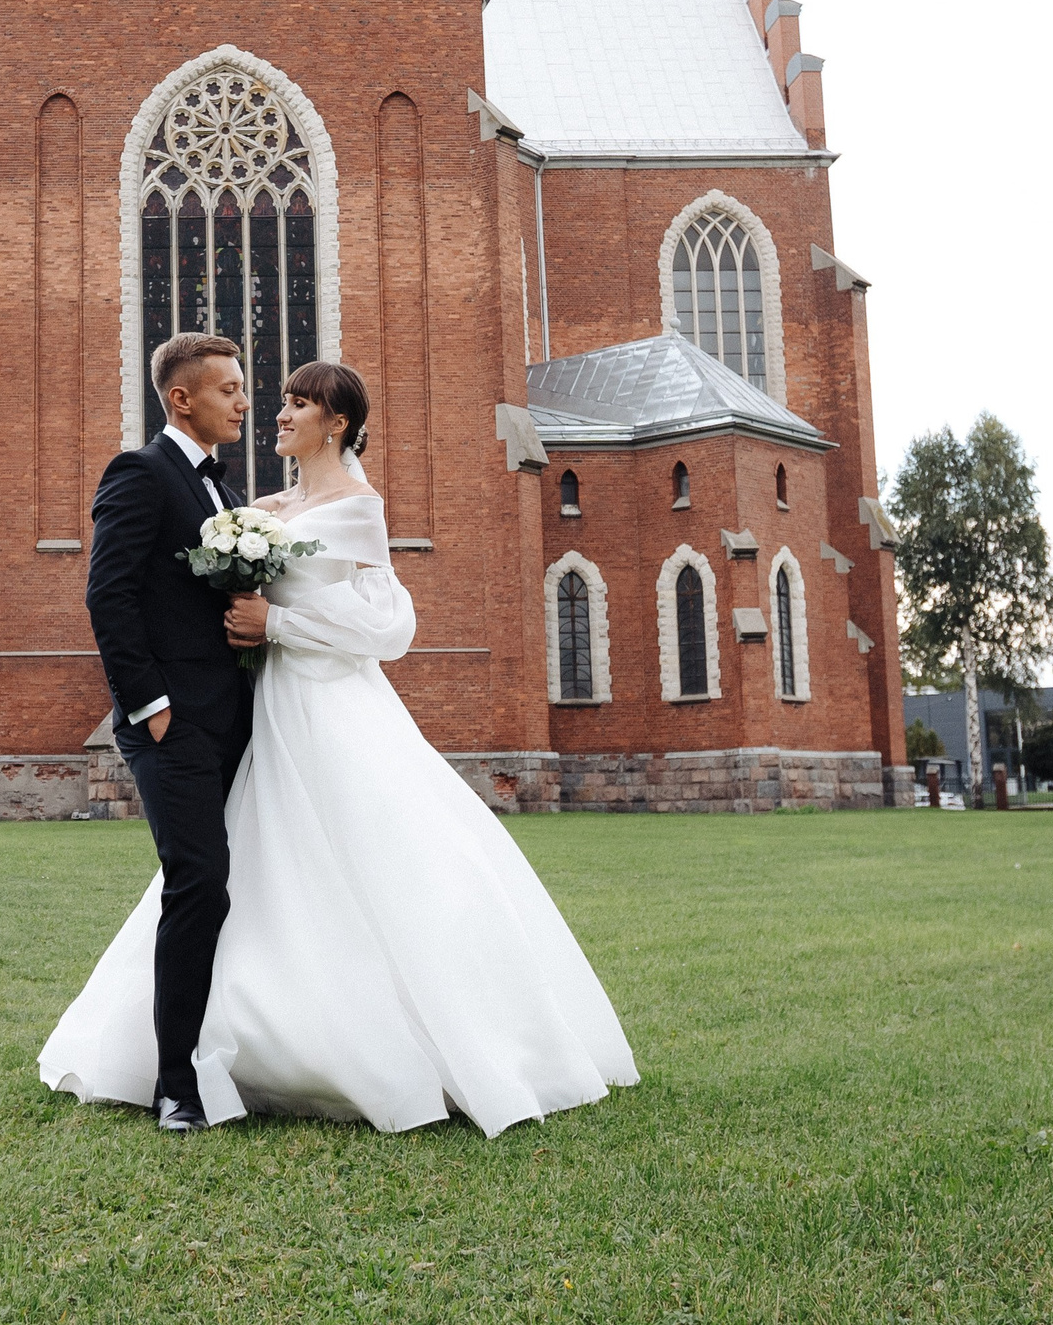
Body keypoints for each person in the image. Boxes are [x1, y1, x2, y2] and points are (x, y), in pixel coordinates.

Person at [41, 360, 640, 1137]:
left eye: (298, 404)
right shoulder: (250, 505)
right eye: (279, 399)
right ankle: (212, 1049)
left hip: (332, 707)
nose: (278, 412)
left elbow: (388, 627)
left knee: (378, 864)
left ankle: (408, 1039)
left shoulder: (360, 508)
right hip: (262, 711)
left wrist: (280, 625)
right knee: (248, 870)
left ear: (339, 425)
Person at [77, 332, 265, 1133]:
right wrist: (147, 703)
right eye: (227, 388)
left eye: (243, 387)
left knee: (219, 884)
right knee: (198, 881)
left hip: (234, 716)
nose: (243, 400)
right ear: (181, 398)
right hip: (171, 723)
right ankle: (174, 1082)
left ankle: (235, 1045)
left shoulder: (224, 493)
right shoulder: (139, 473)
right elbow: (107, 594)